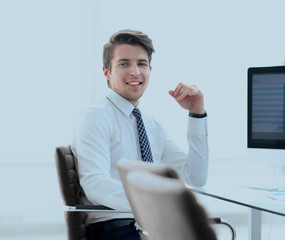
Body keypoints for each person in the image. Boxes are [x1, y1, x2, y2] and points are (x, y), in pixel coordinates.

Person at [71, 29, 209, 240]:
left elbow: (195, 177)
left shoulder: (151, 125)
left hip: (152, 227)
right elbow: (95, 184)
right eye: (124, 63)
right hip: (116, 228)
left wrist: (197, 113)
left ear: (150, 70)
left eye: (142, 64)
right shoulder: (96, 116)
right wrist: (154, 204)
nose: (135, 72)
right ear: (106, 72)